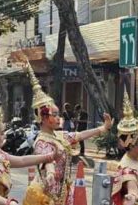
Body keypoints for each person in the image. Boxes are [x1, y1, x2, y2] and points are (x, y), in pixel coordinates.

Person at [0, 79, 61, 205]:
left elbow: (21, 160)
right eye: (1, 133)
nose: (4, 136)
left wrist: (49, 156)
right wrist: (11, 203)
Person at [23, 67, 113, 205]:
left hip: (63, 193)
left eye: (58, 114)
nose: (59, 118)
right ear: (43, 118)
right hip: (46, 195)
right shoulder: (42, 142)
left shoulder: (60, 136)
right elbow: (48, 161)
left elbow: (80, 135)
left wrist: (103, 128)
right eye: (55, 115)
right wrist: (51, 173)